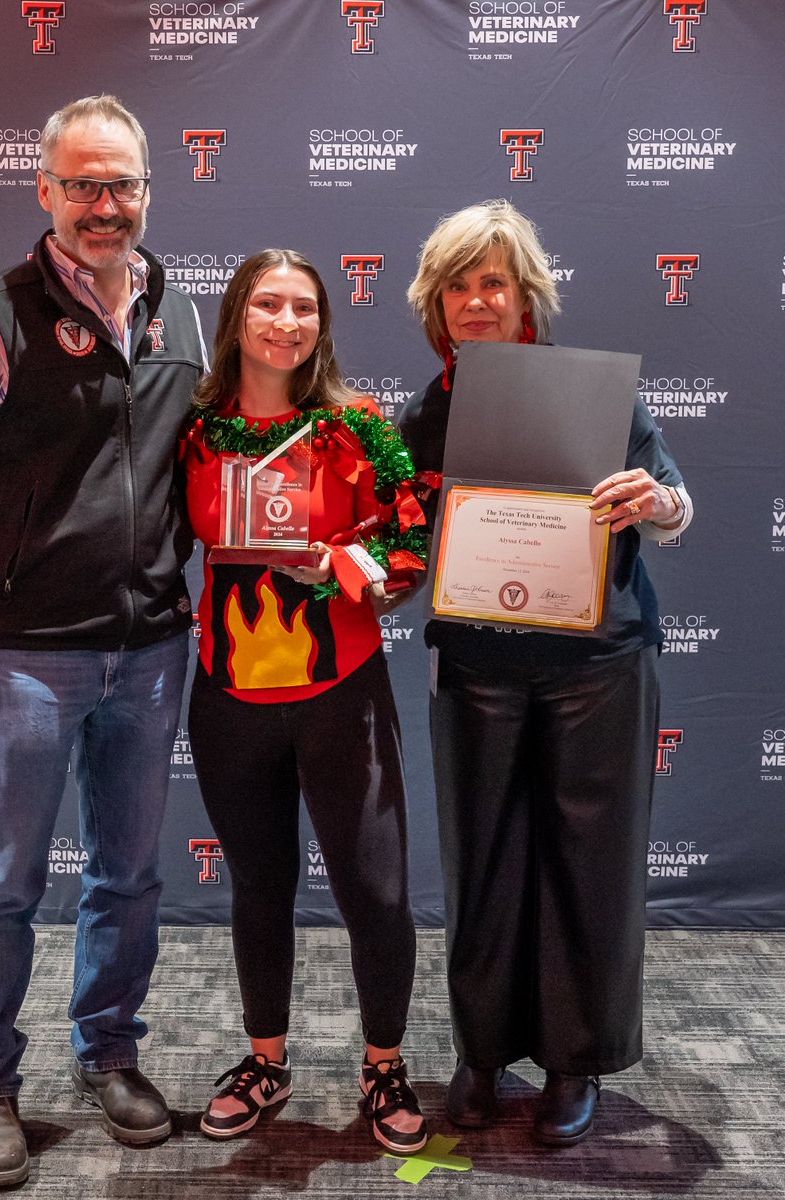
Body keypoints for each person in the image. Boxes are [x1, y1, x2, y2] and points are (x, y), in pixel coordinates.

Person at [0, 95, 206, 1187]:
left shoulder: (184, 312)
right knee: (4, 880)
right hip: (21, 650)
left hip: (152, 647)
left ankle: (108, 1052)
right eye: (82, 185)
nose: (103, 205)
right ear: (45, 191)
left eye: (121, 184)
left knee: (126, 876)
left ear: (149, 189)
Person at [400, 199, 694, 1148]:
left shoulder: (599, 391)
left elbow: (674, 506)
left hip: (596, 664)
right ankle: (482, 1054)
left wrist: (654, 501)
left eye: (491, 281)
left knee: (590, 870)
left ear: (526, 294)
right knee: (480, 860)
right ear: (434, 305)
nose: (475, 300)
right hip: (478, 662)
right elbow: (406, 546)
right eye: (457, 285)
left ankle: (574, 1063)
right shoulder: (426, 411)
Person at [181, 249, 430, 1154]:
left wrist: (348, 570)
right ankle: (265, 1060)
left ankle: (383, 1064)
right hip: (229, 695)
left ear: (321, 325)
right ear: (236, 316)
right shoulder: (197, 429)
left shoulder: (359, 426)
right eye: (267, 305)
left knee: (375, 891)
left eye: (303, 309)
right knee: (258, 887)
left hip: (340, 694)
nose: (285, 323)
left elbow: (410, 546)